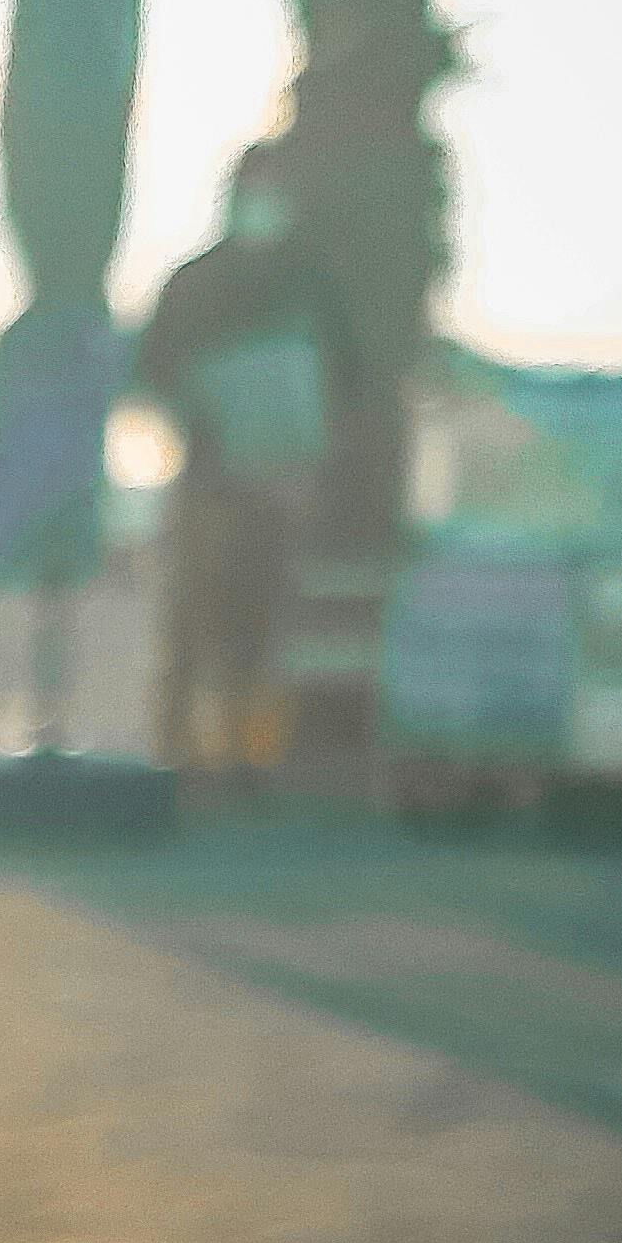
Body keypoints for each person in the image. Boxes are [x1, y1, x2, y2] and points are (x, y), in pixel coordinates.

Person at [132, 143, 350, 778]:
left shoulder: (309, 281)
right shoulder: (197, 281)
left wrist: (305, 453)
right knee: (192, 624)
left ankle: (246, 765)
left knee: (259, 633)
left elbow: (344, 384)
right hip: (208, 486)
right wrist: (211, 407)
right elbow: (152, 371)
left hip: (279, 492)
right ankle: (175, 761)